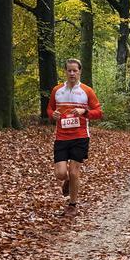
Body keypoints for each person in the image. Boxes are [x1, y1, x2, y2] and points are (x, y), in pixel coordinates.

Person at [46, 58, 102, 217]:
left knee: (74, 172)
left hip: (80, 136)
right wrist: (53, 115)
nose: (72, 73)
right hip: (62, 137)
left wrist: (85, 112)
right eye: (69, 70)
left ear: (80, 72)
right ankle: (68, 181)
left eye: (74, 70)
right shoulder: (57, 90)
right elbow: (49, 109)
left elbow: (99, 112)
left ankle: (72, 205)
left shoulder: (87, 91)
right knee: (61, 173)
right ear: (65, 72)